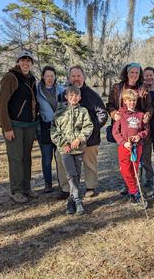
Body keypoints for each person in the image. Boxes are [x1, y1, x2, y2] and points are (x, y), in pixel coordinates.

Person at [56, 66, 108, 200]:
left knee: (89, 162)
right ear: (69, 78)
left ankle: (90, 187)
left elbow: (102, 114)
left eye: (79, 76)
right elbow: (58, 115)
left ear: (83, 77)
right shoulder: (63, 95)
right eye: (73, 76)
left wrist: (92, 129)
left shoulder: (92, 95)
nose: (76, 79)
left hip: (89, 138)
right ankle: (66, 188)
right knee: (62, 160)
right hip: (67, 138)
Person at [0, 50, 39, 203]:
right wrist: (7, 127)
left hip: (29, 124)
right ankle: (16, 190)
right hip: (14, 125)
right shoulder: (11, 77)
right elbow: (2, 104)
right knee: (16, 158)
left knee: (26, 158)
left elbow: (34, 102)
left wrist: (35, 121)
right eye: (23, 60)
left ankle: (26, 187)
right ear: (18, 62)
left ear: (32, 63)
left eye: (28, 60)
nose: (25, 63)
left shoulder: (32, 79)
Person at [107, 63, 153, 194]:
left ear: (140, 75)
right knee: (126, 162)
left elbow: (149, 106)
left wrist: (147, 116)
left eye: (137, 73)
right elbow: (110, 104)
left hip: (139, 126)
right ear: (126, 73)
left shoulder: (143, 88)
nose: (134, 75)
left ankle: (139, 185)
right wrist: (113, 113)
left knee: (141, 159)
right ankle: (128, 185)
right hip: (123, 129)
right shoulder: (117, 88)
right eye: (131, 72)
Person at [51, 86, 93, 215]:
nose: (74, 97)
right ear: (66, 97)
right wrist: (63, 144)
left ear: (80, 97)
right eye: (71, 95)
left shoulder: (83, 111)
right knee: (70, 174)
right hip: (65, 150)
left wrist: (79, 139)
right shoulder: (59, 111)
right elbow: (54, 130)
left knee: (76, 174)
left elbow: (88, 126)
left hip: (78, 148)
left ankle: (71, 201)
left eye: (76, 95)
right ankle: (78, 200)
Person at [112, 89, 149, 204]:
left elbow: (146, 130)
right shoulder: (120, 115)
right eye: (129, 100)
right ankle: (135, 191)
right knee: (125, 170)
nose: (132, 102)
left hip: (137, 147)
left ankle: (133, 193)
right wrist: (124, 142)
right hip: (125, 147)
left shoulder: (140, 115)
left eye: (134, 100)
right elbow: (115, 132)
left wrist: (139, 136)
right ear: (125, 101)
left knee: (134, 170)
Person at [36, 66, 65, 193]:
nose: (49, 78)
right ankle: (48, 183)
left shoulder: (61, 89)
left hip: (60, 127)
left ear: (55, 77)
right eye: (47, 76)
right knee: (47, 158)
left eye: (52, 76)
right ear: (43, 76)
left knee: (60, 157)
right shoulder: (37, 90)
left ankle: (62, 182)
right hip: (45, 127)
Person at [141, 66, 154, 191]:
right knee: (145, 156)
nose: (148, 77)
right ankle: (148, 178)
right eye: (146, 75)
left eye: (151, 75)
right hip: (145, 127)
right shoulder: (140, 90)